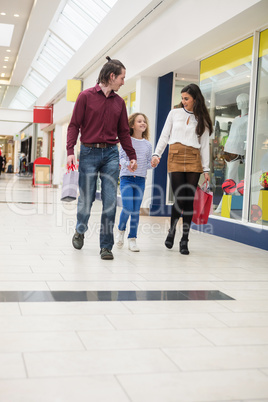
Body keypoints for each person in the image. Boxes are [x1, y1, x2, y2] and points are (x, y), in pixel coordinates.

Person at [66, 56, 137, 260]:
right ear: (112, 76)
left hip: (111, 155)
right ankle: (80, 229)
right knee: (86, 199)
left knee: (110, 201)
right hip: (88, 152)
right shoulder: (85, 96)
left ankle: (106, 246)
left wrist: (131, 156)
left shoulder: (119, 103)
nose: (124, 82)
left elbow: (124, 131)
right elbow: (74, 125)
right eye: (122, 78)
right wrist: (70, 151)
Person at [151, 83, 213, 255]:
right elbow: (164, 135)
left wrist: (206, 170)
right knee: (179, 197)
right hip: (175, 155)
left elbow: (205, 146)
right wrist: (157, 154)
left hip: (194, 159)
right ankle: (172, 230)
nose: (183, 101)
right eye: (182, 98)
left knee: (188, 199)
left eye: (187, 99)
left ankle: (184, 239)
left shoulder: (203, 119)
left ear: (195, 99)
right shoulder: (174, 113)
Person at [115, 113, 152, 252]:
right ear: (132, 125)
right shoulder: (126, 142)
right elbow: (121, 159)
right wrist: (128, 164)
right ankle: (120, 231)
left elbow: (148, 164)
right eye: (139, 121)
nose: (143, 123)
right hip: (126, 178)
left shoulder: (148, 145)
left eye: (144, 121)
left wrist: (153, 164)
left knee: (136, 211)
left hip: (141, 180)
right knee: (128, 208)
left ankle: (132, 239)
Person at [215, 93, 249, 213]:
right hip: (230, 150)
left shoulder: (248, 119)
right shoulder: (236, 119)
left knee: (231, 178)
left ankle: (223, 202)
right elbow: (232, 135)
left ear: (245, 102)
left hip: (239, 151)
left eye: (240, 101)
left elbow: (247, 136)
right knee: (233, 177)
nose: (238, 104)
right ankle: (237, 200)